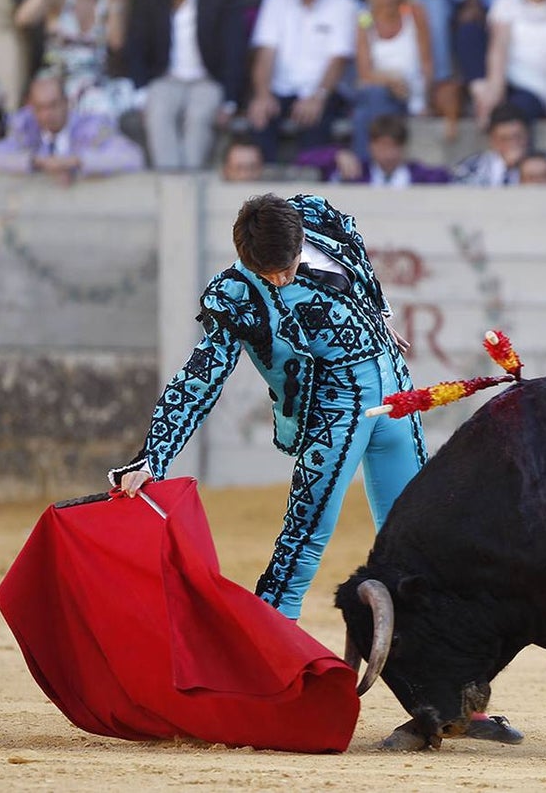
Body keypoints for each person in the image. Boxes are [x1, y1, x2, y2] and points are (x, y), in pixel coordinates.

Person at [109, 192, 524, 745]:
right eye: (268, 272)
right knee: (301, 547)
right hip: (333, 412)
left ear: (301, 237)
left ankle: (453, 699)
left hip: (395, 394)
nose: (279, 280)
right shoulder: (234, 294)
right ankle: (256, 690)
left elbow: (360, 265)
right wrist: (152, 456)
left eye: (286, 268)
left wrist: (377, 320)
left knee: (429, 551)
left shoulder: (321, 217)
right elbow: (199, 380)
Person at [125, 0, 249, 171]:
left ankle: (189, 182)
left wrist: (229, 101)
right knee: (158, 113)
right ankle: (171, 184)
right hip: (165, 79)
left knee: (199, 117)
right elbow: (136, 48)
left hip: (207, 80)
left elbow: (234, 50)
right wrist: (141, 96)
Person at [246, 0, 359, 163]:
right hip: (280, 88)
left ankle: (310, 182)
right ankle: (264, 182)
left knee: (315, 120)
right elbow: (265, 52)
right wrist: (262, 95)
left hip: (326, 91)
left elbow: (339, 60)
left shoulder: (345, 3)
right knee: (260, 115)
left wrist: (318, 97)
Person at [0, 71, 144, 184]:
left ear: (67, 103)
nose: (47, 115)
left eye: (53, 105)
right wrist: (38, 162)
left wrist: (77, 161)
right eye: (40, 108)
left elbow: (132, 158)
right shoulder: (25, 125)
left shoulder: (91, 125)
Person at [13, 0, 134, 120]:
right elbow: (23, 19)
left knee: (101, 106)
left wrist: (116, 1)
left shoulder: (108, 0)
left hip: (92, 81)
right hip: (56, 77)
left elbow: (116, 42)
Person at [469, 0, 546, 128]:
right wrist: (494, 93)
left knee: (517, 111)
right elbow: (499, 49)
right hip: (511, 80)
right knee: (469, 33)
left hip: (542, 88)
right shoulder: (506, 3)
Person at [352, 0, 434, 162]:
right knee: (374, 98)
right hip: (380, 90)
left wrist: (421, 101)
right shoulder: (365, 19)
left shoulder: (414, 13)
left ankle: (366, 167)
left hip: (410, 93)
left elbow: (427, 63)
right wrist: (390, 81)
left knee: (364, 111)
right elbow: (365, 73)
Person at [453, 100, 546, 185]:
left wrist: (540, 165)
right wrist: (505, 167)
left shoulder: (542, 159)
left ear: (527, 136)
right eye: (505, 139)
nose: (512, 144)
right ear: (493, 140)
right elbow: (458, 190)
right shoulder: (474, 166)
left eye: (517, 137)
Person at [295, 113, 452, 185]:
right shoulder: (356, 173)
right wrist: (335, 154)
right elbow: (301, 161)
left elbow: (449, 178)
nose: (388, 154)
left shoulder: (421, 176)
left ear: (403, 147)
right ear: (371, 146)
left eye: (394, 146)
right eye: (383, 146)